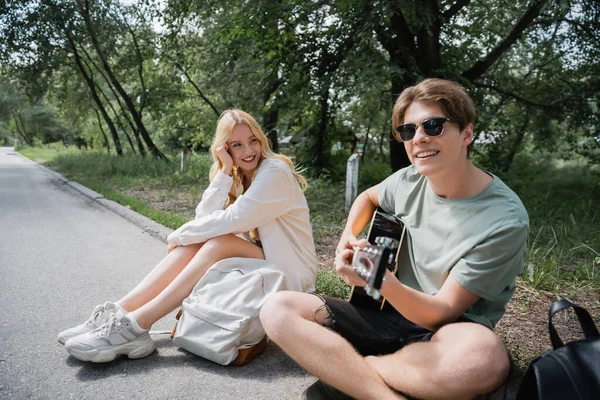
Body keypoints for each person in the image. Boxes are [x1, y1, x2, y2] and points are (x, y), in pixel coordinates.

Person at [260, 78, 529, 400]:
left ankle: (352, 371)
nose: (419, 138)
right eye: (408, 131)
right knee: (277, 308)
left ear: (467, 133)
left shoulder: (504, 219)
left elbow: (440, 312)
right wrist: (348, 237)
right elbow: (368, 198)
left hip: (444, 334)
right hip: (380, 313)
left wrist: (375, 278)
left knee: (484, 359)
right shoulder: (408, 179)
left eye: (433, 126)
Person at [58, 109, 318, 363]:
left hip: (290, 271)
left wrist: (179, 235)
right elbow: (204, 217)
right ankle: (120, 313)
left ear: (261, 140)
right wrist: (226, 171)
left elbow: (234, 220)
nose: (248, 151)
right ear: (225, 149)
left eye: (252, 141)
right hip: (265, 263)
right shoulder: (239, 176)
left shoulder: (274, 172)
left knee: (217, 242)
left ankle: (137, 326)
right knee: (204, 241)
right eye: (237, 145)